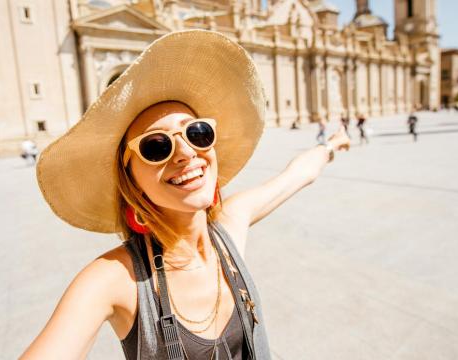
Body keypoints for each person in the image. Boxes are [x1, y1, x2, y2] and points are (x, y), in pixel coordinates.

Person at [22, 30, 350, 359]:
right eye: (156, 146)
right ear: (131, 180)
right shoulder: (113, 278)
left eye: (197, 132)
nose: (186, 152)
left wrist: (331, 145)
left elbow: (298, 174)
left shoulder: (229, 229)